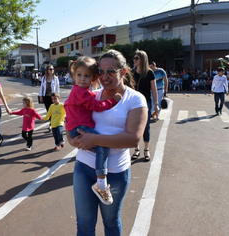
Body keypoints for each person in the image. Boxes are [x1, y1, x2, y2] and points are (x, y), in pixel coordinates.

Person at [67, 49, 147, 235]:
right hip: (84, 168)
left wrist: (94, 139)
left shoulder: (135, 99)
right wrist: (70, 138)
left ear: (123, 72)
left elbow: (133, 138)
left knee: (110, 222)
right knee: (84, 224)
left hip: (115, 172)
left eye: (111, 71)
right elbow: (72, 116)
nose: (105, 76)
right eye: (100, 71)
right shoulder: (91, 94)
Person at [64, 57, 122, 205]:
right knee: (102, 147)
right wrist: (113, 100)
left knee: (99, 148)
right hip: (81, 128)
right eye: (79, 75)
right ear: (74, 75)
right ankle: (101, 184)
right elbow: (96, 106)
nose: (82, 79)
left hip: (77, 127)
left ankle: (99, 180)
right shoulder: (80, 92)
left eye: (87, 76)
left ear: (93, 78)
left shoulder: (81, 91)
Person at [131, 49, 159, 162]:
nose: (134, 60)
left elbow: (154, 89)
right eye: (134, 58)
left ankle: (146, 150)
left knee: (146, 127)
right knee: (134, 127)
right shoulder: (132, 72)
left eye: (137, 58)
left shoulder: (149, 73)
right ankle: (136, 149)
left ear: (143, 59)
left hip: (145, 103)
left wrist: (156, 104)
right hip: (133, 103)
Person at [39, 65, 60, 132]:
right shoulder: (43, 78)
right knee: (49, 111)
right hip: (46, 97)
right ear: (47, 70)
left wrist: (57, 97)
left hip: (53, 97)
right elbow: (41, 88)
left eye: (53, 69)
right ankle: (52, 124)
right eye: (50, 69)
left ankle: (51, 125)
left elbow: (57, 88)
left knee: (52, 111)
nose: (52, 70)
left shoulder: (55, 78)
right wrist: (41, 96)